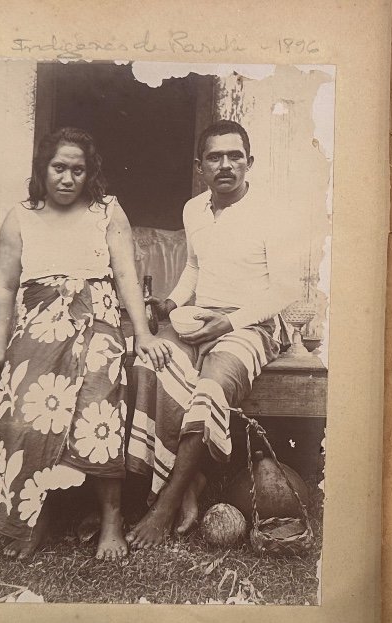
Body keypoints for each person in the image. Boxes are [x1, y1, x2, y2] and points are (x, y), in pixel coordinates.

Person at [0, 127, 173, 562]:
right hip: (38, 326)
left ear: (90, 174)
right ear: (43, 169)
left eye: (78, 170)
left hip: (97, 322)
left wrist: (142, 333)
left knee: (97, 405)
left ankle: (111, 520)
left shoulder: (106, 211)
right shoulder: (19, 216)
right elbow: (4, 286)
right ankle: (34, 511)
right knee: (19, 412)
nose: (68, 179)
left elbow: (125, 275)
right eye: (59, 168)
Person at [125, 119, 297, 549]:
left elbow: (286, 287)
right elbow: (196, 269)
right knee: (151, 361)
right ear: (200, 167)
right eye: (215, 157)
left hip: (254, 325)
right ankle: (189, 481)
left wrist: (232, 322)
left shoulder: (272, 212)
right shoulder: (193, 209)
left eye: (235, 156)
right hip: (200, 317)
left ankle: (165, 503)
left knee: (211, 387)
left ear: (249, 162)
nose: (226, 165)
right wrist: (170, 304)